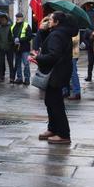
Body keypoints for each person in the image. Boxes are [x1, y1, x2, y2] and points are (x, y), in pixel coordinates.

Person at [31, 11, 75, 145]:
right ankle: (53, 129)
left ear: (57, 22)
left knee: (55, 104)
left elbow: (53, 55)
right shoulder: (59, 32)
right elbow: (49, 44)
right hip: (60, 71)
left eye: (50, 20)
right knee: (50, 102)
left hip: (56, 73)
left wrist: (37, 58)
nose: (48, 21)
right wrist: (43, 31)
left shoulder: (57, 34)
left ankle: (63, 134)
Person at [11, 13, 33, 85]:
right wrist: (14, 40)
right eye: (17, 17)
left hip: (25, 48)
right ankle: (19, 78)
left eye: (19, 17)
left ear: (22, 18)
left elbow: (29, 36)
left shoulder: (26, 25)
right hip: (16, 48)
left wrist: (20, 40)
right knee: (18, 64)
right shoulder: (13, 26)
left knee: (26, 64)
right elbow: (11, 36)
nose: (18, 18)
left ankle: (27, 79)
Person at [0, 14, 14, 83]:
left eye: (4, 20)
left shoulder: (10, 27)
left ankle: (12, 77)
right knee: (0, 63)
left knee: (10, 63)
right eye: (1, 20)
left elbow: (12, 38)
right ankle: (0, 76)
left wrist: (10, 44)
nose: (2, 21)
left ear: (6, 20)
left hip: (9, 48)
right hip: (1, 48)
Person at [64, 31, 82, 100]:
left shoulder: (73, 28)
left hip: (72, 54)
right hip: (67, 54)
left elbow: (74, 41)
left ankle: (76, 92)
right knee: (65, 73)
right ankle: (65, 91)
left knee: (73, 73)